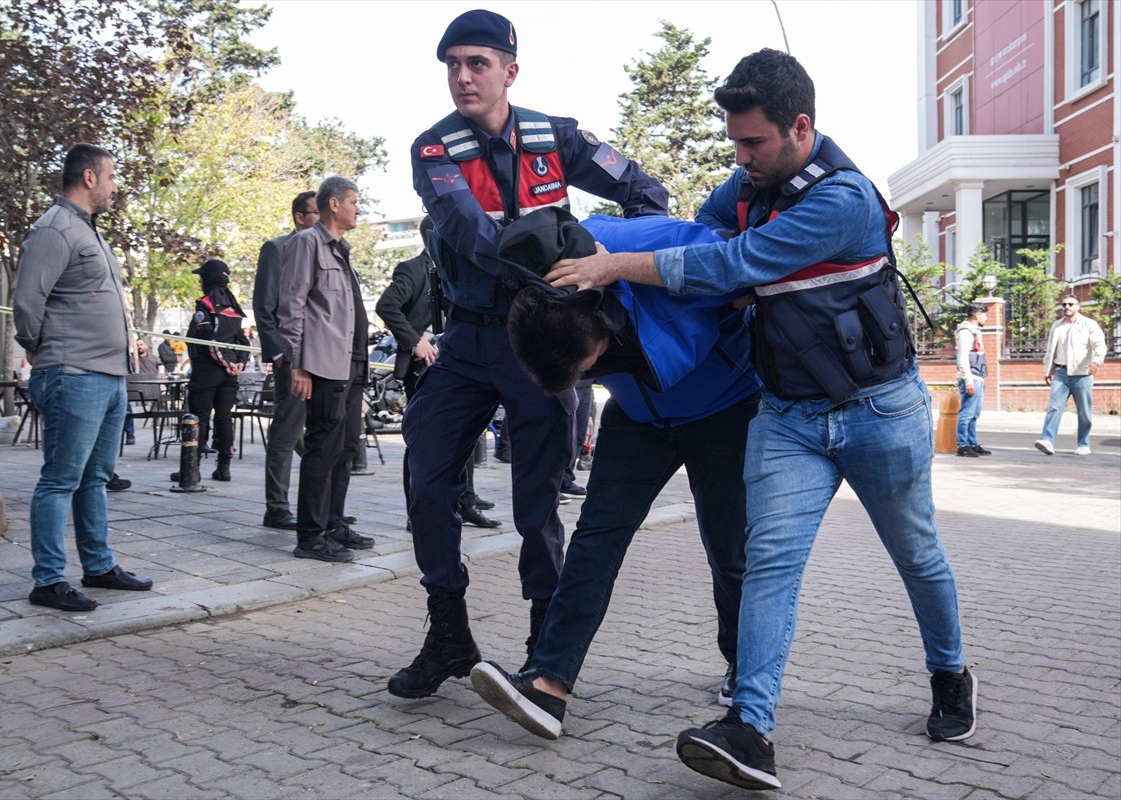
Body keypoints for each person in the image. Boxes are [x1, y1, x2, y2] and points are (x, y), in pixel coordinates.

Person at [545, 49, 976, 790]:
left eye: (754, 143)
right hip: (788, 417)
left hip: (878, 411)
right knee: (767, 563)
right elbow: (699, 242)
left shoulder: (844, 201)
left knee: (917, 554)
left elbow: (733, 263)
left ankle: (949, 672)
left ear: (800, 127)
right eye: (735, 143)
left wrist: (615, 265)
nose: (741, 159)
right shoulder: (746, 185)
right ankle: (751, 728)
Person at [389, 9, 669, 700]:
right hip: (469, 338)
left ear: (509, 71)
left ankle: (546, 654)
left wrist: (608, 255)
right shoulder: (435, 149)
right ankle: (447, 633)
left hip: (541, 342)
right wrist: (560, 249)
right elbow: (474, 233)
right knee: (426, 477)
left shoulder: (556, 136)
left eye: (477, 63)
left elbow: (645, 191)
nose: (463, 77)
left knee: (536, 503)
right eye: (452, 64)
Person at [468, 210, 761, 741]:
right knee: (595, 539)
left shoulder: (660, 243)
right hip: (640, 416)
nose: (589, 376)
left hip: (724, 407)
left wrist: (729, 296)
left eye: (590, 366)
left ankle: (744, 665)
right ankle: (547, 684)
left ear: (601, 315)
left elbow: (745, 268)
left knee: (729, 547)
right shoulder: (546, 297)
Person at [13, 142, 153, 612]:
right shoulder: (53, 229)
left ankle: (98, 566)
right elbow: (28, 302)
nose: (115, 186)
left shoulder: (86, 231)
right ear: (89, 178)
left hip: (109, 375)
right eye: (111, 177)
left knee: (94, 478)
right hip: (73, 372)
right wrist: (40, 350)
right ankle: (48, 580)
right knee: (60, 479)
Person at [374, 215, 499, 530]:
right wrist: (415, 340)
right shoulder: (413, 269)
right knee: (422, 438)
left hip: (460, 363)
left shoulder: (459, 268)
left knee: (467, 434)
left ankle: (464, 501)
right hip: (423, 367)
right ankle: (417, 512)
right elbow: (386, 305)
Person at [278, 176, 376, 561]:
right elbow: (292, 305)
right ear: (333, 204)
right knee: (323, 446)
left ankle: (334, 524)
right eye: (354, 201)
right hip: (321, 364)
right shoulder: (306, 242)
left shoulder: (341, 249)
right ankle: (311, 536)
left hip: (351, 363)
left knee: (346, 446)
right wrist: (298, 363)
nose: (358, 209)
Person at [253, 190, 316, 530]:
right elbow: (264, 306)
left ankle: (323, 505)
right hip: (292, 359)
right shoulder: (277, 249)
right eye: (316, 212)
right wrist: (279, 354)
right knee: (286, 433)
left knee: (318, 437)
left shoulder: (328, 250)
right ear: (300, 217)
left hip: (325, 360)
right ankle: (276, 508)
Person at [186, 258, 249, 482]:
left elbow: (207, 339)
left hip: (208, 371)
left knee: (199, 417)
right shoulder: (234, 306)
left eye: (202, 276)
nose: (200, 280)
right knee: (224, 418)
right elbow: (243, 340)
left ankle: (191, 469)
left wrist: (227, 363)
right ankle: (224, 467)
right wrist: (239, 363)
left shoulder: (206, 304)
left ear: (208, 278)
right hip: (230, 372)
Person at [1034, 293, 1106, 456]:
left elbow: (1099, 345)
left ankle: (1083, 444)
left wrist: (1096, 362)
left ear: (1078, 307)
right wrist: (1049, 369)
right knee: (1054, 407)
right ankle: (1047, 440)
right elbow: (1051, 349)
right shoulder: (1057, 326)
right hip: (1061, 372)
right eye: (1064, 304)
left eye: (1070, 304)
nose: (1066, 307)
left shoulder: (1089, 324)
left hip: (1082, 374)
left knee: (1084, 411)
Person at [954, 304, 990, 458]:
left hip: (977, 377)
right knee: (966, 414)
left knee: (974, 414)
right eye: (984, 314)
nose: (986, 317)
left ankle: (972, 443)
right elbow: (962, 358)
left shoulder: (975, 332)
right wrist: (969, 381)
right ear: (976, 315)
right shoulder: (965, 333)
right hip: (970, 378)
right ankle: (963, 445)